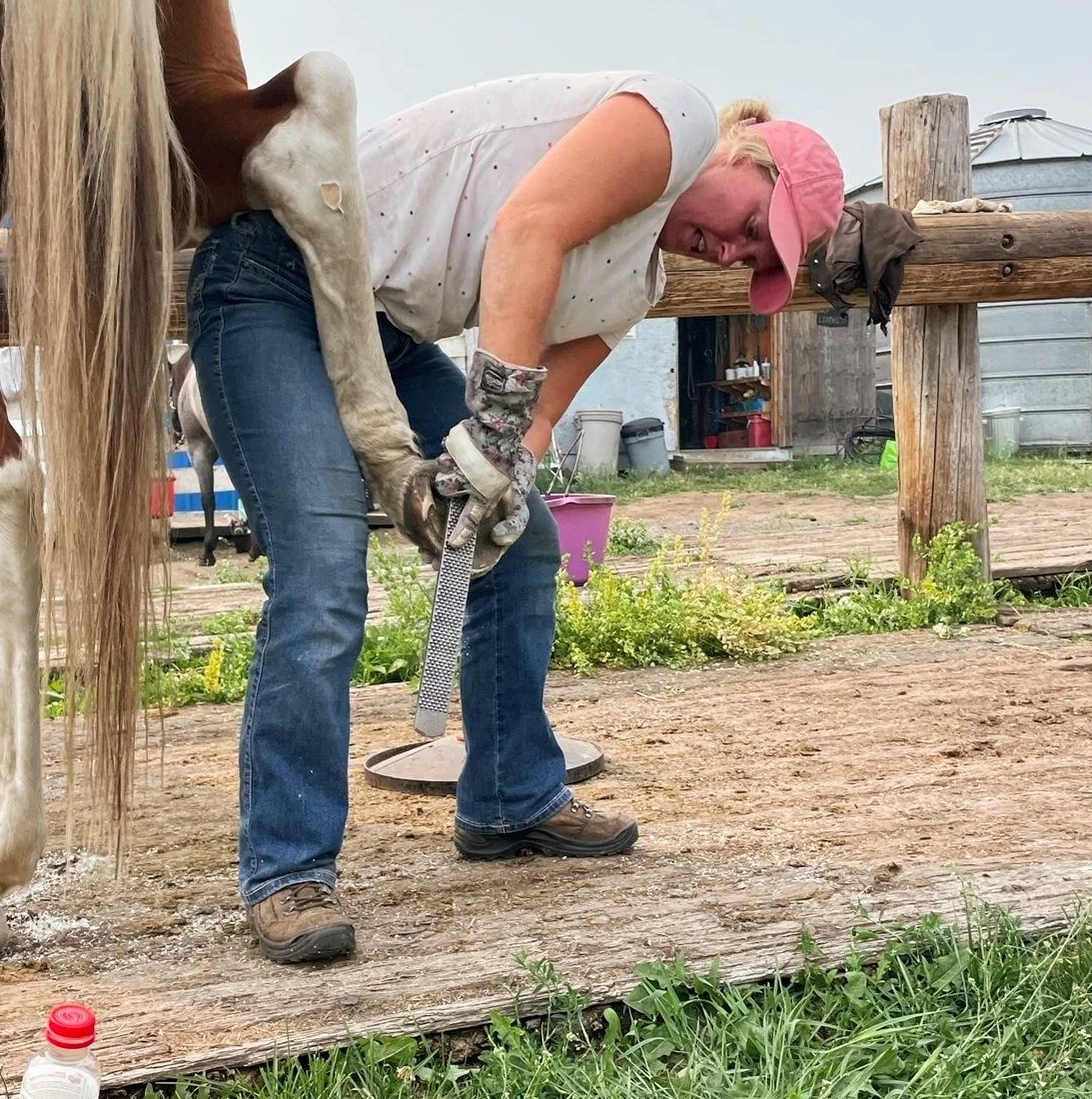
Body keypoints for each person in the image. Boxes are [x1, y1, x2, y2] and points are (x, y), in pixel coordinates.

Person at [188, 70, 844, 964]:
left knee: (524, 536)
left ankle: (509, 797)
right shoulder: (675, 120)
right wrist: (491, 425)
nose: (734, 254)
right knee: (323, 566)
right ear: (743, 153)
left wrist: (500, 468)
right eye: (750, 227)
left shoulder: (632, 286)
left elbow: (531, 421)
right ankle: (287, 867)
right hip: (275, 277)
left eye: (757, 261)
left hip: (382, 330)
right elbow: (524, 229)